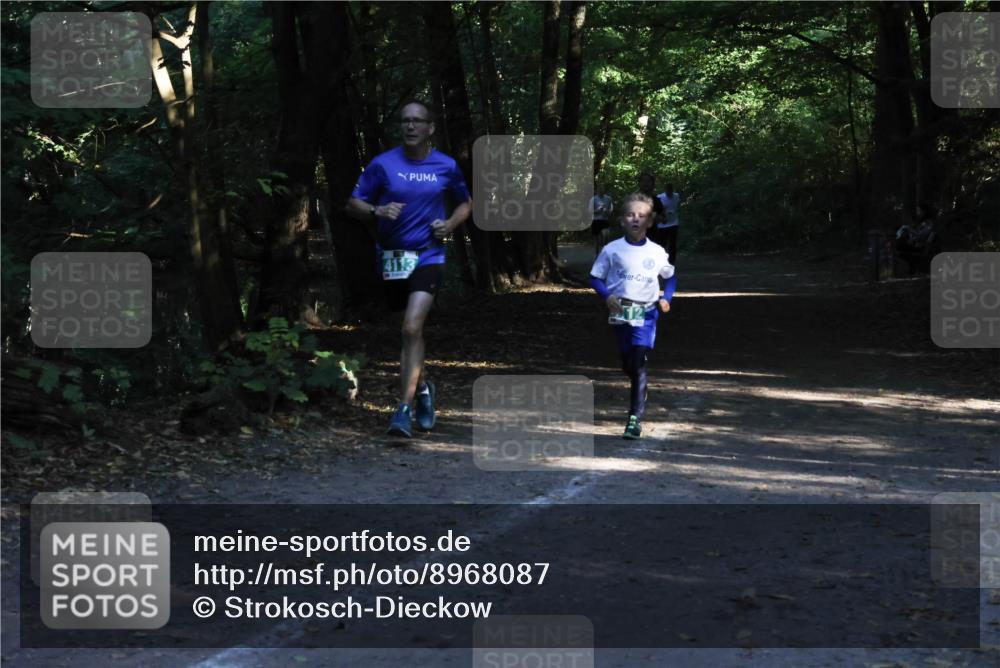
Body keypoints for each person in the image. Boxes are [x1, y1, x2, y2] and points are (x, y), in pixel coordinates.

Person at [346, 100, 472, 438]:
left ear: (430, 128)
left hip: (428, 256)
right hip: (391, 258)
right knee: (406, 334)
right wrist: (377, 210)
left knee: (412, 327)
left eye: (417, 121)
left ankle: (402, 409)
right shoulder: (382, 165)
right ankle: (424, 387)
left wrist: (449, 225)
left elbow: (466, 202)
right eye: (405, 121)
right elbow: (353, 203)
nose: (410, 126)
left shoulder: (445, 165)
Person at [589, 193, 676, 440]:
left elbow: (670, 277)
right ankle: (638, 376)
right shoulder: (611, 249)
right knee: (628, 362)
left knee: (638, 361)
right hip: (620, 312)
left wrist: (666, 298)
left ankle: (634, 419)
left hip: (646, 312)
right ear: (621, 220)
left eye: (642, 216)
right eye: (631, 215)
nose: (636, 219)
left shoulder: (657, 251)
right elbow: (595, 277)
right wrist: (606, 295)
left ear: (651, 222)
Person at [637, 172, 666, 247]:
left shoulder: (656, 200)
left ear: (652, 184)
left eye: (648, 181)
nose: (645, 183)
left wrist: (657, 218)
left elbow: (664, 219)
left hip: (653, 238)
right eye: (643, 181)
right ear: (639, 183)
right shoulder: (633, 200)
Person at [656, 183, 681, 264]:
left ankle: (671, 262)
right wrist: (661, 216)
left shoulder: (676, 196)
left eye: (671, 191)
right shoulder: (660, 197)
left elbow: (678, 206)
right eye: (668, 191)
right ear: (665, 190)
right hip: (663, 224)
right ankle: (662, 260)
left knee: (673, 243)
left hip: (674, 223)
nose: (669, 193)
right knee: (663, 243)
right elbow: (656, 210)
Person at [589, 182, 614, 256]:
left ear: (604, 189)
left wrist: (607, 211)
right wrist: (598, 210)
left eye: (602, 188)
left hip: (605, 221)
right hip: (596, 221)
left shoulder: (608, 199)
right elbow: (590, 211)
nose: (601, 190)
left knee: (606, 237)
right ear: (596, 190)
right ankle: (597, 256)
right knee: (597, 241)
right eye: (599, 188)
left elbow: (610, 211)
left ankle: (605, 255)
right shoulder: (593, 199)